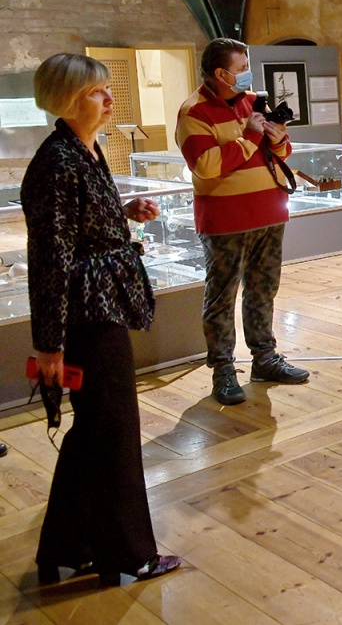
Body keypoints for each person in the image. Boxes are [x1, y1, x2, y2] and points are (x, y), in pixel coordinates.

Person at [23, 53, 182, 586]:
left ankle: (67, 547)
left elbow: (82, 225)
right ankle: (129, 553)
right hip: (86, 316)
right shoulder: (58, 163)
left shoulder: (84, 151)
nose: (110, 99)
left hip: (101, 305)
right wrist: (49, 344)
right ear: (68, 99)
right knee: (113, 432)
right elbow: (51, 259)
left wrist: (124, 212)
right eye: (97, 91)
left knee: (95, 429)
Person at [176, 38, 309, 406]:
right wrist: (251, 135)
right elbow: (206, 165)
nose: (248, 72)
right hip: (225, 220)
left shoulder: (252, 101)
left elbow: (281, 151)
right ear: (221, 73)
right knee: (222, 296)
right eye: (242, 67)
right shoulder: (194, 112)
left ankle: (265, 358)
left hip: (269, 212)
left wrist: (278, 140)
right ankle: (222, 370)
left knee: (263, 289)